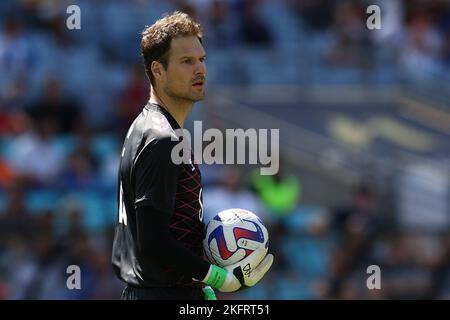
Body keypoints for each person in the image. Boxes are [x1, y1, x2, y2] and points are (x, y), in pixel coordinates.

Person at [111, 11, 273, 300]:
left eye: (202, 59)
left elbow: (170, 227)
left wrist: (201, 282)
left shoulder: (149, 127)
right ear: (158, 70)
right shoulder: (162, 138)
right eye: (187, 61)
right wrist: (217, 276)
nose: (201, 70)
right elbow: (152, 241)